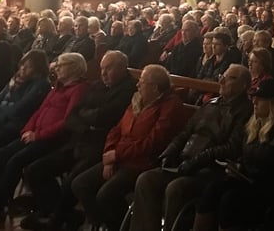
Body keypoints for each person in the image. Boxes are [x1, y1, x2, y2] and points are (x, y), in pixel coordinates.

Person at [20, 51, 137, 230]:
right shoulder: (99, 84)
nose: (103, 73)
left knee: (73, 182)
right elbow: (73, 116)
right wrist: (87, 123)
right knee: (34, 170)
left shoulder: (128, 89)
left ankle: (56, 221)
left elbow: (105, 116)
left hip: (99, 147)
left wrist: (87, 117)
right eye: (102, 69)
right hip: (78, 142)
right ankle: (59, 213)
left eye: (109, 69)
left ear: (122, 68)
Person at [192, 79, 274, 231]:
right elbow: (250, 158)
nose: (254, 101)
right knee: (214, 188)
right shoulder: (255, 127)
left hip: (273, 192)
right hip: (250, 182)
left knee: (231, 200)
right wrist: (238, 167)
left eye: (260, 99)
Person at [130, 63, 253, 231]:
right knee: (146, 180)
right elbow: (186, 132)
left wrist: (198, 160)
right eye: (222, 76)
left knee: (176, 189)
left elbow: (231, 147)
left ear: (244, 85)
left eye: (230, 78)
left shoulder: (246, 111)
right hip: (185, 160)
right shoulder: (211, 103)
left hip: (210, 168)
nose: (222, 81)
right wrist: (170, 151)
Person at [71, 65, 187, 230]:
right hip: (119, 157)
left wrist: (117, 154)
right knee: (80, 184)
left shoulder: (170, 106)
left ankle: (118, 226)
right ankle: (105, 223)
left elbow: (153, 142)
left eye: (142, 82)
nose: (138, 85)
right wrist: (109, 156)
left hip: (141, 163)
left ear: (155, 87)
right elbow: (116, 129)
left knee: (106, 195)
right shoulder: (138, 100)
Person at [0, 53, 88, 220]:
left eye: (61, 65)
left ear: (74, 67)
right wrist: (27, 129)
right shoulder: (58, 87)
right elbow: (40, 110)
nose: (56, 68)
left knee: (15, 161)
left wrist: (38, 135)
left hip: (53, 139)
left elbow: (67, 121)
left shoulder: (78, 89)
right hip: (33, 134)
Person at [0, 50, 50, 152]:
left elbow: (20, 108)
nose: (23, 68)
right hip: (1, 118)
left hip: (16, 124)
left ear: (38, 69)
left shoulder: (41, 85)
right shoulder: (16, 78)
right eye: (22, 64)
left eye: (29, 67)